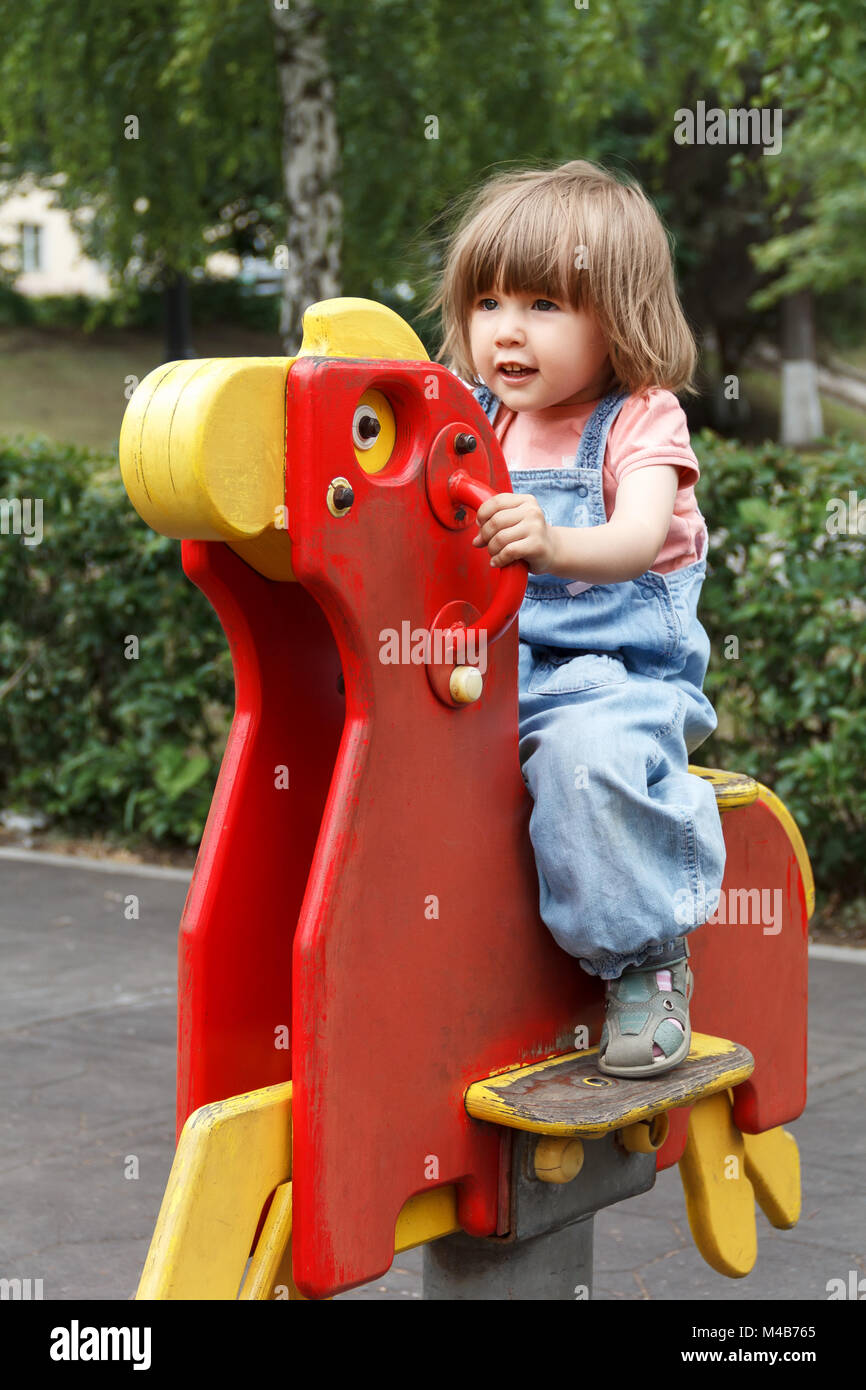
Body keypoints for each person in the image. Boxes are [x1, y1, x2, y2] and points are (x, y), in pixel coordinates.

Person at [424, 159, 726, 1077]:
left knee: (585, 761)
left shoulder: (641, 421)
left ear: (619, 316)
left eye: (545, 306)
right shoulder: (474, 413)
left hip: (615, 681)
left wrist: (553, 543)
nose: (507, 332)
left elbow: (636, 538)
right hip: (499, 669)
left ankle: (646, 962)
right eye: (488, 304)